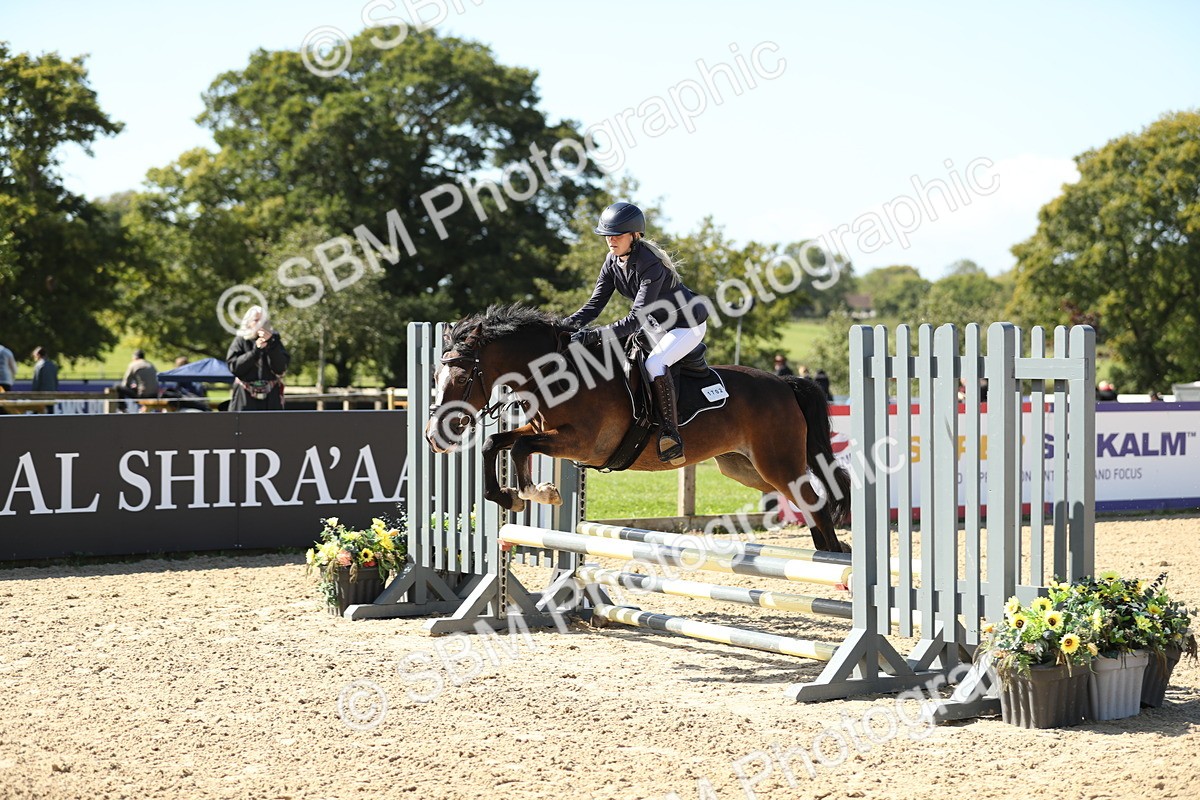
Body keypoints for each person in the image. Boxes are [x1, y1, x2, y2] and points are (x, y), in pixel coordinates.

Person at [566, 201, 710, 465]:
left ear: (635, 235)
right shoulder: (612, 262)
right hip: (657, 324)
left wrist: (595, 335)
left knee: (655, 363)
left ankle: (670, 432)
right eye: (608, 235)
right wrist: (565, 326)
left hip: (685, 325)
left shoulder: (650, 264)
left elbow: (635, 320)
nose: (611, 240)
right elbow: (594, 305)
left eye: (617, 234)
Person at [226, 305, 290, 411]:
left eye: (264, 321)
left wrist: (271, 345)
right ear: (248, 323)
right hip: (245, 395)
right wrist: (256, 351)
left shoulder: (274, 341)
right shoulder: (240, 340)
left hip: (270, 397)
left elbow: (280, 368)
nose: (260, 324)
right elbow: (235, 368)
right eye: (256, 320)